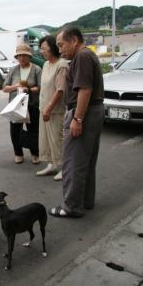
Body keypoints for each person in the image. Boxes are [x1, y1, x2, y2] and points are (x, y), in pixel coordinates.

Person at [50, 26, 105, 218]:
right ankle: (85, 201)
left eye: (61, 44)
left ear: (74, 40)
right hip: (94, 111)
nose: (60, 49)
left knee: (73, 162)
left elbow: (84, 90)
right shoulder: (87, 56)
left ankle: (71, 206)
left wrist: (77, 118)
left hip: (85, 112)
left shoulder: (82, 57)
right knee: (86, 161)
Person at [2, 43, 42, 164]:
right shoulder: (13, 70)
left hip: (32, 104)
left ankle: (35, 153)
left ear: (29, 56)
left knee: (33, 130)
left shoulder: (36, 69)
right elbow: (4, 88)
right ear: (17, 57)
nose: (22, 58)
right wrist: (16, 86)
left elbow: (40, 87)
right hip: (16, 105)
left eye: (24, 55)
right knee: (15, 130)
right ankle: (18, 153)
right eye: (19, 56)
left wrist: (28, 89)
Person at [37, 36, 68, 181]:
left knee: (57, 140)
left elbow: (60, 90)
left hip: (55, 110)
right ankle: (51, 164)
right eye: (41, 48)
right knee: (46, 139)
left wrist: (49, 108)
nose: (42, 51)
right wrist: (44, 108)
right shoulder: (46, 64)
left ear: (52, 48)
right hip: (44, 109)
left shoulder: (61, 65)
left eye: (44, 48)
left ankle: (63, 167)